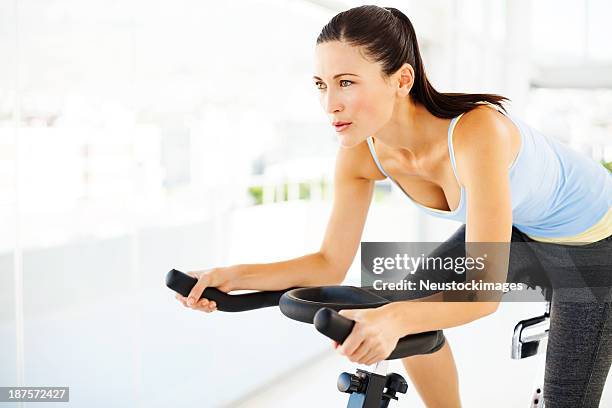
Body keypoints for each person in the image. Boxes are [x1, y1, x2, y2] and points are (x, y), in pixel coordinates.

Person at [175, 5, 612, 407]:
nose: (330, 104)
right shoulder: (361, 153)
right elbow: (328, 263)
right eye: (321, 85)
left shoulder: (477, 133)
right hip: (525, 226)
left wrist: (395, 318)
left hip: (599, 243)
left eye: (346, 82)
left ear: (402, 80)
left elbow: (483, 296)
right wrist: (230, 277)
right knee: (406, 303)